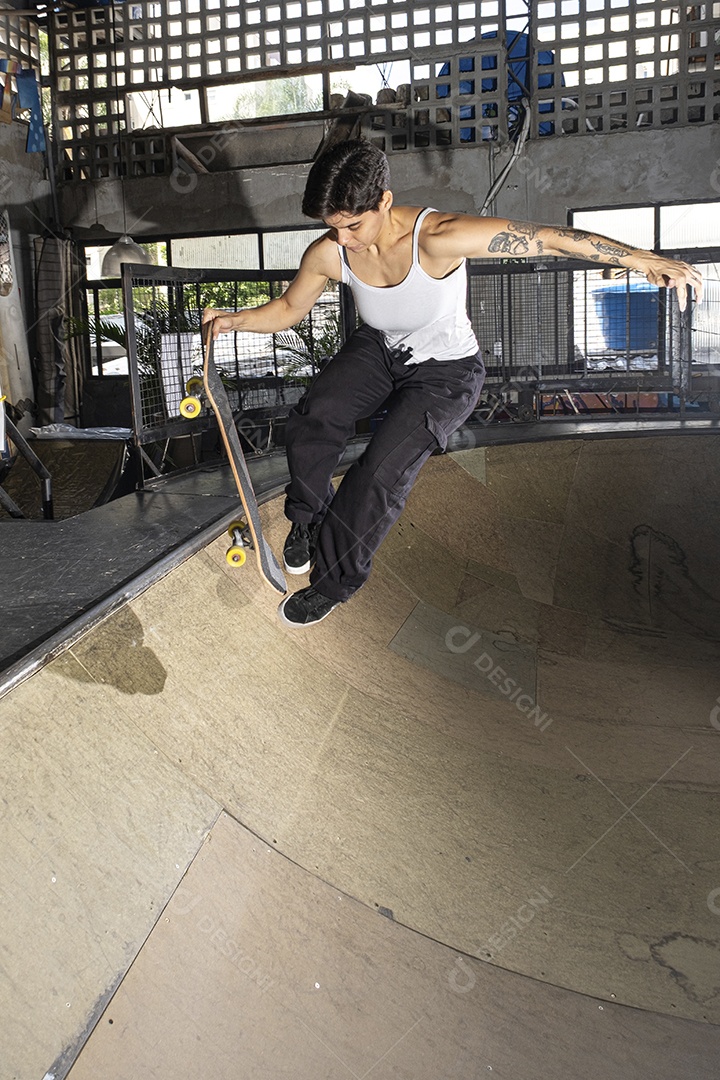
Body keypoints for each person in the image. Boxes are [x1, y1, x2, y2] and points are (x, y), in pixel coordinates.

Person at [203, 140, 703, 629]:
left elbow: (548, 237)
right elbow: (289, 308)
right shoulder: (331, 252)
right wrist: (233, 321)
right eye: (332, 228)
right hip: (381, 348)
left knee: (379, 474)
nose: (344, 240)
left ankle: (332, 584)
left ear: (384, 201)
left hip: (445, 372)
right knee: (320, 410)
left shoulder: (437, 237)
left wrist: (642, 258)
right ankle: (308, 516)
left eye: (353, 225)